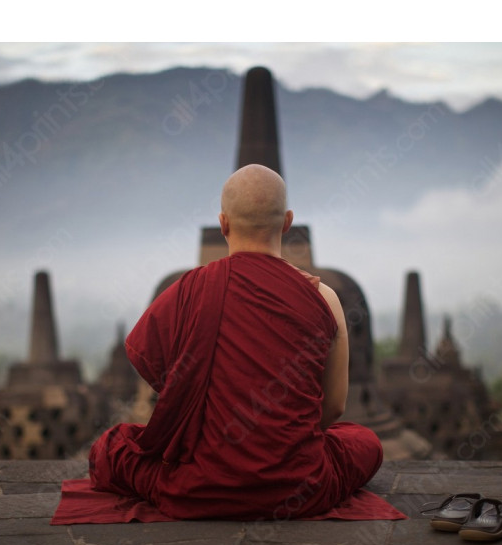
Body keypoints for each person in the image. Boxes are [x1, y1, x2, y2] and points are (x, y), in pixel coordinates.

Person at [87, 164, 387, 521]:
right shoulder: (325, 298)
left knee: (110, 447)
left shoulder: (186, 290)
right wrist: (284, 443)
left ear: (224, 224)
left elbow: (166, 389)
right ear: (287, 222)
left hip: (196, 486)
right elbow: (335, 409)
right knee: (366, 442)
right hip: (302, 487)